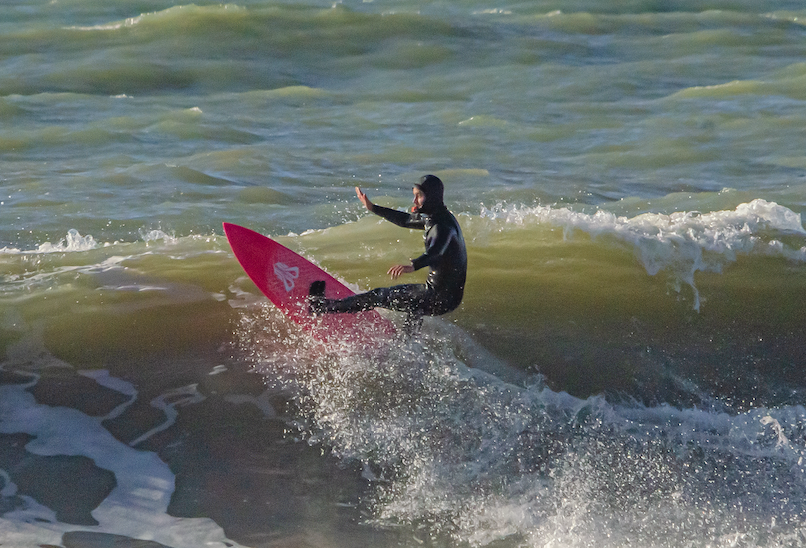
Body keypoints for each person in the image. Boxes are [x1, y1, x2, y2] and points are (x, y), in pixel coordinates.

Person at [309, 174, 467, 330]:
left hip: (437, 297)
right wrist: (372, 207)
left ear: (431, 197)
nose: (414, 201)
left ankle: (321, 307)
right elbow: (406, 220)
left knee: (378, 296)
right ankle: (409, 344)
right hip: (448, 299)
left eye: (419, 196)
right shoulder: (441, 217)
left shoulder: (441, 227)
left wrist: (413, 265)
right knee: (415, 303)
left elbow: (437, 252)